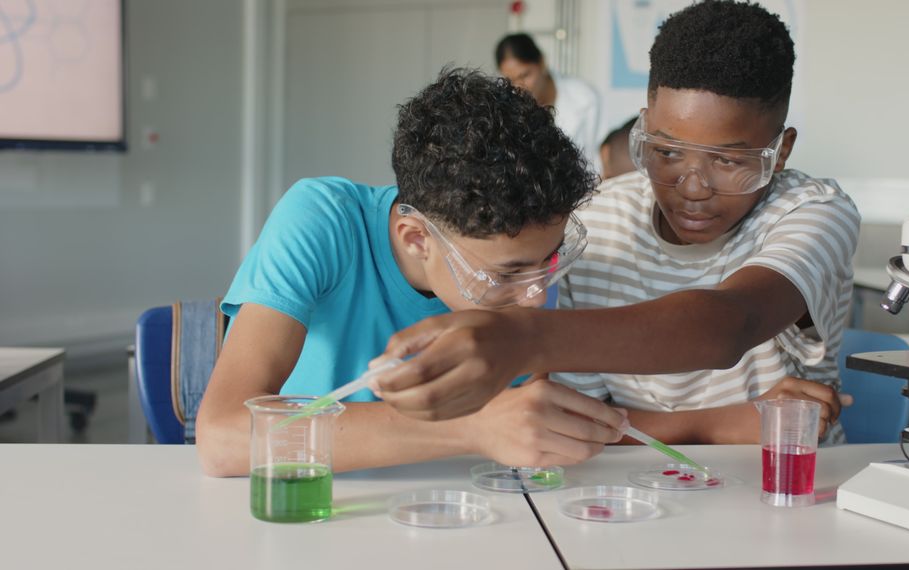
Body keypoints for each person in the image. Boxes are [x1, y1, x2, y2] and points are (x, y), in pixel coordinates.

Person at [371, 1, 861, 446]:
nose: (692, 186)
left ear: (781, 152)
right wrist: (726, 422)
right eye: (666, 152)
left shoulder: (814, 212)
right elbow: (572, 420)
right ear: (643, 127)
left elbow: (730, 323)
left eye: (729, 162)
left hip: (779, 480)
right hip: (621, 489)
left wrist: (522, 338)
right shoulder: (597, 217)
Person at [195, 69, 627, 477]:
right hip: (317, 497)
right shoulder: (322, 220)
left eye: (550, 260)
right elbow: (223, 436)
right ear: (416, 238)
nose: (535, 296)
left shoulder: (526, 270)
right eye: (506, 274)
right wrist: (470, 427)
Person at [496, 33, 602, 170]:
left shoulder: (585, 98)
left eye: (525, 75)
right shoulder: (503, 109)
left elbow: (601, 161)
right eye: (510, 80)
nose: (519, 86)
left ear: (542, 63)